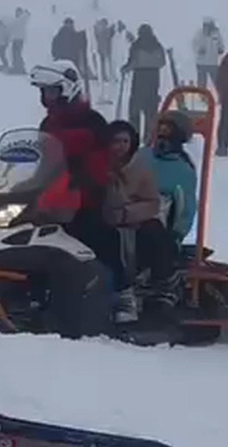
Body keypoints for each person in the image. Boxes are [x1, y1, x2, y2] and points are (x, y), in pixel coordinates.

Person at [28, 60, 129, 320]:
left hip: (84, 197)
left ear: (67, 90)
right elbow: (40, 155)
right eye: (44, 91)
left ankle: (122, 295)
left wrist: (80, 183)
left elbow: (89, 157)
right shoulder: (47, 124)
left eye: (52, 91)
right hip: (52, 198)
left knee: (98, 233)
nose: (47, 97)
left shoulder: (92, 121)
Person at [105, 120, 179, 311]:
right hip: (105, 218)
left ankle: (161, 283)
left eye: (125, 141)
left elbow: (152, 202)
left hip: (134, 219)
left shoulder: (140, 168)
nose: (120, 147)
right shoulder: (100, 166)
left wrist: (127, 214)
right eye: (115, 141)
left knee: (153, 233)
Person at [142, 110, 199, 247]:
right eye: (160, 129)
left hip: (160, 228)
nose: (162, 136)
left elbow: (186, 207)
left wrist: (177, 234)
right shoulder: (142, 156)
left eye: (168, 131)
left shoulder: (183, 168)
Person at [122, 24, 167, 142]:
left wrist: (125, 69)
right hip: (153, 80)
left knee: (135, 111)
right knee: (151, 112)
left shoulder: (136, 46)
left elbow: (132, 63)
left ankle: (134, 135)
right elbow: (162, 62)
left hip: (139, 80)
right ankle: (149, 137)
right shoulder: (157, 46)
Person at [191, 18, 224, 89]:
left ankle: (220, 98)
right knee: (202, 85)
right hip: (201, 63)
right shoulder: (199, 34)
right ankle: (202, 98)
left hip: (213, 63)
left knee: (218, 84)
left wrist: (221, 49)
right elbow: (194, 45)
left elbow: (221, 45)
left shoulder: (216, 34)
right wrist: (199, 50)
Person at [93, 17, 117, 82]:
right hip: (104, 49)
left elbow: (110, 35)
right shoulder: (102, 31)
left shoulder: (103, 30)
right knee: (105, 64)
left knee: (107, 64)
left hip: (105, 49)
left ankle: (109, 76)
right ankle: (106, 76)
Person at [8, 6, 30, 73]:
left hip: (19, 39)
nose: (16, 13)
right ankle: (17, 67)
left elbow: (26, 16)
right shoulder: (17, 20)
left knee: (17, 54)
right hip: (16, 39)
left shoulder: (21, 19)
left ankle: (19, 68)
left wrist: (26, 13)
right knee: (15, 54)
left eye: (18, 12)